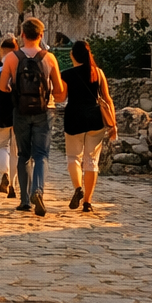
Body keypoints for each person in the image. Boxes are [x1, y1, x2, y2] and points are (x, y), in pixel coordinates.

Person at [0, 17, 65, 217]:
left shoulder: (11, 58)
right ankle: (39, 191)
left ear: (22, 35)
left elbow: (2, 87)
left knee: (23, 155)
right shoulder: (49, 58)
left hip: (21, 111)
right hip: (45, 111)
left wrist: (15, 90)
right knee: (41, 155)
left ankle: (25, 200)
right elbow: (59, 90)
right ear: (41, 35)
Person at [62, 39, 116, 213]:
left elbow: (62, 97)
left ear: (72, 55)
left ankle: (78, 188)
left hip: (73, 118)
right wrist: (113, 124)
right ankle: (87, 202)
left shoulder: (67, 74)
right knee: (92, 160)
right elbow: (107, 99)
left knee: (73, 157)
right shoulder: (97, 73)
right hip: (94, 119)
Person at [0, 36, 18, 200]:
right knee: (16, 150)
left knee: (1, 145)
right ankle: (13, 184)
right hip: (18, 110)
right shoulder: (20, 64)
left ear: (1, 50)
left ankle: (4, 173)